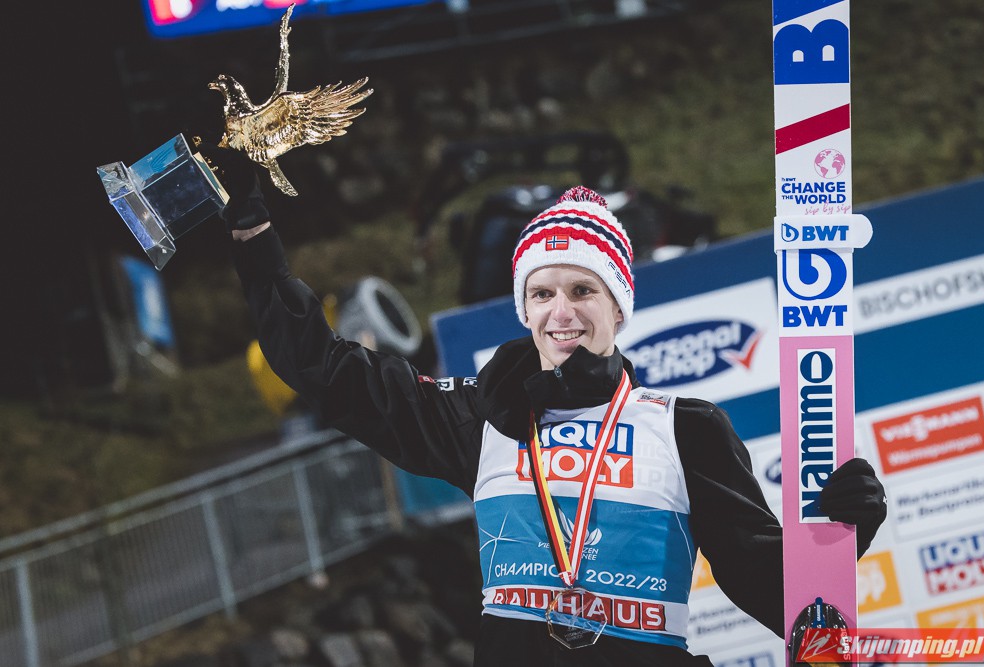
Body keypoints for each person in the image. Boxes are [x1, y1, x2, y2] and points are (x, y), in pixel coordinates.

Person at [210, 148, 886, 667]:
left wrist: (840, 536)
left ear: (618, 307)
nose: (561, 311)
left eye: (583, 290)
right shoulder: (480, 418)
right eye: (542, 293)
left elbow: (775, 592)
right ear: (524, 308)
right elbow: (326, 370)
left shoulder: (685, 429)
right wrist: (258, 249)